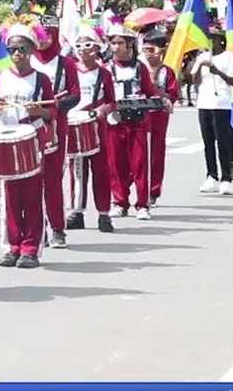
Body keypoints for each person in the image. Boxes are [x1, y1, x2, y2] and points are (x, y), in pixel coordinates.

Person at [0, 22, 54, 269]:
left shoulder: (41, 79)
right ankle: (11, 246)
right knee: (9, 196)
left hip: (31, 138)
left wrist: (39, 110)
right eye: (12, 49)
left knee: (32, 195)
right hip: (7, 138)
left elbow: (51, 112)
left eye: (22, 49)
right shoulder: (1, 76)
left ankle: (30, 248)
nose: (17, 54)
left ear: (32, 51)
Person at [28, 14, 80, 248]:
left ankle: (57, 228)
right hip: (26, 127)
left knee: (52, 180)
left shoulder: (65, 63)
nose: (42, 39)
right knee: (29, 183)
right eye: (38, 35)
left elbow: (75, 94)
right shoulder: (24, 60)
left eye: (47, 34)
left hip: (54, 127)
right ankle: (35, 231)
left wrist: (54, 106)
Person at [105, 24, 160, 220]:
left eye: (120, 43)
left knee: (140, 165)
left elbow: (150, 92)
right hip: (115, 122)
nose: (116, 47)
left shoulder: (140, 68)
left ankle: (142, 204)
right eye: (113, 43)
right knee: (116, 165)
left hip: (137, 122)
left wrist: (159, 101)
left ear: (129, 45)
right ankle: (120, 202)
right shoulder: (106, 69)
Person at [66, 28, 117, 233]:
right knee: (77, 171)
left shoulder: (104, 73)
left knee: (101, 171)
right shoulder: (70, 70)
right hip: (74, 124)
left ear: (97, 48)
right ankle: (77, 212)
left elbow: (112, 101)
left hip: (97, 126)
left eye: (88, 45)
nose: (83, 50)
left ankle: (104, 214)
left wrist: (102, 111)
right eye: (79, 46)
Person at [189, 28, 233, 195]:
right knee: (208, 142)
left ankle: (226, 178)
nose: (211, 42)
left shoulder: (229, 57)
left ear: (221, 41)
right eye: (209, 39)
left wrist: (217, 71)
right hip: (204, 104)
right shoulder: (202, 57)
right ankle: (212, 176)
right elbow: (195, 81)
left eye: (214, 39)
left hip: (222, 105)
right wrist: (199, 66)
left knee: (223, 143)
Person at [140, 30, 179, 204]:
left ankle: (153, 191)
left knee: (156, 153)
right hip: (139, 115)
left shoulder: (167, 72)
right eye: (145, 49)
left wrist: (154, 86)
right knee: (137, 153)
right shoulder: (138, 69)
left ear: (162, 50)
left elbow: (172, 95)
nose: (148, 54)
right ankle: (137, 189)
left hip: (159, 116)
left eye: (152, 50)